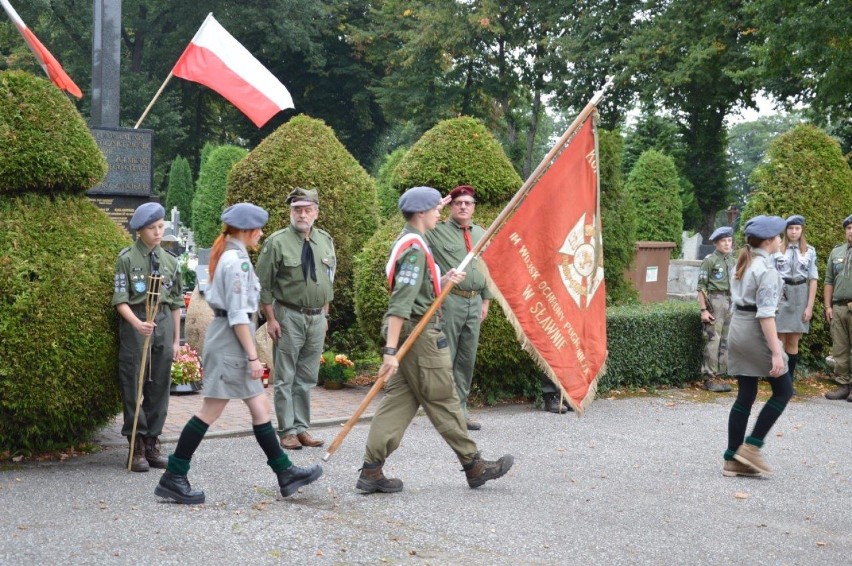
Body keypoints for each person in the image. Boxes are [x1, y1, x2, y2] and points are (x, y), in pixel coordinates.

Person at [155, 203, 322, 504]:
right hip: (231, 343)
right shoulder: (237, 261)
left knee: (260, 408)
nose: (261, 233)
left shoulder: (235, 255)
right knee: (210, 411)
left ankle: (285, 473)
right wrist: (253, 357)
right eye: (257, 229)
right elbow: (238, 317)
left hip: (230, 340)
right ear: (245, 230)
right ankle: (174, 475)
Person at [356, 186, 514, 494]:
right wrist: (390, 352)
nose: (440, 212)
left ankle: (371, 470)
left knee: (399, 402)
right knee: (443, 398)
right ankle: (474, 465)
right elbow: (401, 303)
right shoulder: (414, 249)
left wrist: (441, 281)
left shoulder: (410, 240)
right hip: (419, 333)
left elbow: (418, 293)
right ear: (420, 213)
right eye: (435, 208)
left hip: (415, 329)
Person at [255, 188, 336, 450]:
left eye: (307, 209)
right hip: (288, 315)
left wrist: (325, 314)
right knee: (285, 376)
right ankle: (287, 430)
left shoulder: (325, 240)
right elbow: (263, 285)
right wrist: (270, 319)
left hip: (316, 318)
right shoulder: (277, 242)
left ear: (317, 212)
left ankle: (302, 427)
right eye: (297, 209)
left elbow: (327, 279)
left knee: (307, 376)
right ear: (290, 211)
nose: (302, 214)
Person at [112, 202, 183, 472]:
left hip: (162, 322)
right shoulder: (127, 258)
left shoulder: (171, 262)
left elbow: (176, 302)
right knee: (134, 385)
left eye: (160, 227)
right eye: (152, 228)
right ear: (140, 230)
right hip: (137, 322)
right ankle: (137, 444)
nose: (157, 232)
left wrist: (177, 341)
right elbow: (120, 300)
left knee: (159, 385)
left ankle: (153, 442)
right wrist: (137, 323)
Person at [722, 215, 792, 477]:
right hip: (754, 330)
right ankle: (751, 448)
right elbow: (765, 314)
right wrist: (776, 352)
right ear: (769, 240)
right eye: (779, 236)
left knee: (746, 394)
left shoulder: (743, 263)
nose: (781, 240)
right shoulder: (767, 271)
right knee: (784, 390)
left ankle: (732, 459)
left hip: (738, 328)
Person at [425, 185, 493, 430]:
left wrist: (486, 299)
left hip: (474, 302)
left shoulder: (482, 233)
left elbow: (487, 268)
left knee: (466, 359)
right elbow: (412, 233)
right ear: (451, 207)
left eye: (468, 203)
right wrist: (436, 207)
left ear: (474, 208)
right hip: (450, 300)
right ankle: (443, 413)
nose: (463, 206)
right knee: (446, 358)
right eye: (458, 203)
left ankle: (460, 411)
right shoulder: (437, 232)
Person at [774, 215, 818, 387]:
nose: (793, 232)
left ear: (802, 230)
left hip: (800, 294)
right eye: (790, 228)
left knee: (793, 341)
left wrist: (809, 306)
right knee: (779, 340)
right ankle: (779, 381)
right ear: (786, 230)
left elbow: (813, 279)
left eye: (797, 228)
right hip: (780, 293)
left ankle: (789, 382)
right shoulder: (777, 249)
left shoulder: (809, 251)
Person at [697, 226, 735, 393]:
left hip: (730, 300)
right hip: (715, 300)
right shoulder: (710, 260)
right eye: (723, 241)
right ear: (716, 243)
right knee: (714, 339)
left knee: (725, 340)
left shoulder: (731, 261)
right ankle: (709, 377)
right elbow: (701, 287)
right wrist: (703, 310)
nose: (727, 244)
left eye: (729, 240)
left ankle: (720, 374)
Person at [823, 214, 852, 401]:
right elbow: (828, 280)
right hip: (839, 307)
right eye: (849, 228)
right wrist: (828, 306)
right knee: (840, 349)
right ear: (845, 230)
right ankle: (843, 385)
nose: (851, 231)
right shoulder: (837, 252)